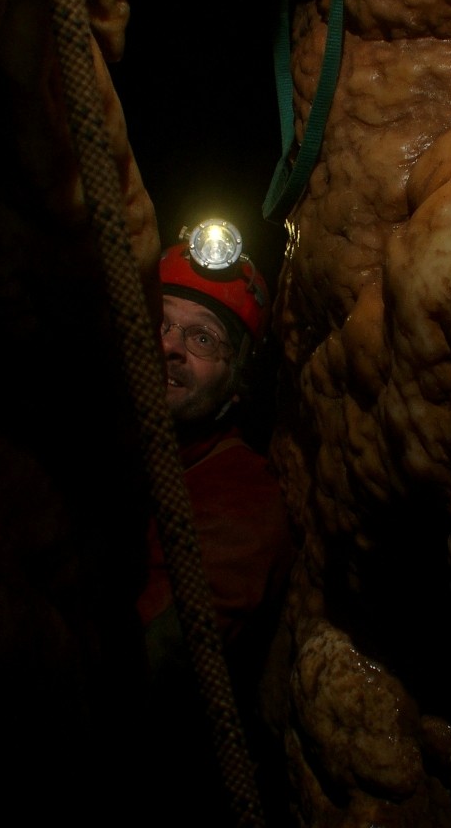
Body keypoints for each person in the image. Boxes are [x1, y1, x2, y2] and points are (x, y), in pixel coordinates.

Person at [136, 228, 294, 822]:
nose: (170, 346)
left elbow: (156, 662)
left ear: (236, 383)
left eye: (202, 338)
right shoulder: (97, 444)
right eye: (161, 321)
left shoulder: (242, 500)